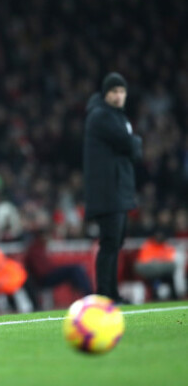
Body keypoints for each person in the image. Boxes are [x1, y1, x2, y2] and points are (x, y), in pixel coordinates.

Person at [83, 72, 142, 303]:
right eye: (114, 91)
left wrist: (133, 144)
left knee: (114, 244)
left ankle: (111, 292)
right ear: (105, 93)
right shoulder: (101, 116)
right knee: (109, 244)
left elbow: (132, 149)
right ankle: (105, 294)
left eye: (121, 91)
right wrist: (135, 142)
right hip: (109, 193)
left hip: (118, 191)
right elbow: (130, 144)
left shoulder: (117, 117)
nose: (119, 96)